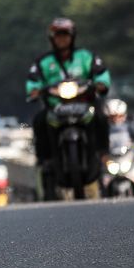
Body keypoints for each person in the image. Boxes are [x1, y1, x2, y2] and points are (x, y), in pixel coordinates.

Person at [25, 17, 111, 187]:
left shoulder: (85, 56)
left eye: (65, 35)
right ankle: (45, 159)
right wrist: (35, 90)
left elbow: (101, 74)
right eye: (58, 35)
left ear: (72, 37)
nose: (62, 39)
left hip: (84, 105)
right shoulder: (43, 62)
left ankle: (103, 153)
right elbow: (33, 81)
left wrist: (100, 84)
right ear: (52, 38)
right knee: (39, 121)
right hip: (56, 107)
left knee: (101, 117)